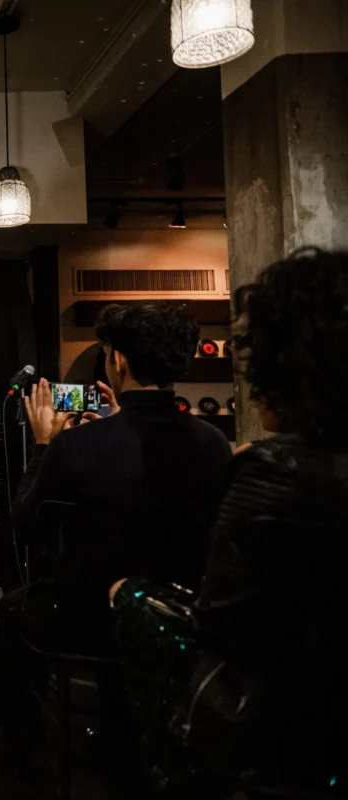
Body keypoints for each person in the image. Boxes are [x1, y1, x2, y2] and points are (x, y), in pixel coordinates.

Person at [111, 248, 348, 793]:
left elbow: (219, 623)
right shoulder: (216, 444)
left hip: (283, 738)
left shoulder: (269, 472)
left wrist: (134, 597)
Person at [0, 302, 231, 736]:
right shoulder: (212, 442)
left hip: (89, 619)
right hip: (180, 614)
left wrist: (45, 444)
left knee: (12, 606)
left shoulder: (78, 446)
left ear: (118, 359)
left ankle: (15, 740)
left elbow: (26, 525)